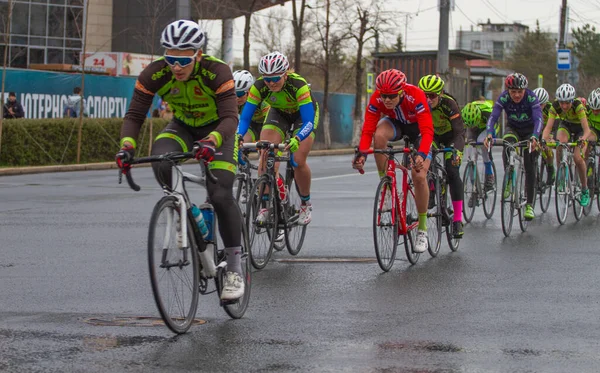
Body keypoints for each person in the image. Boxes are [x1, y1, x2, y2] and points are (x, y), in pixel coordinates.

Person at [115, 20, 244, 301]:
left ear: (198, 54)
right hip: (182, 127)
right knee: (161, 161)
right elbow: (135, 115)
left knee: (220, 194)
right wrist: (127, 147)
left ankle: (234, 267)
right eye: (170, 58)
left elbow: (231, 118)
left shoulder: (217, 71)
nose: (175, 67)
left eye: (182, 60)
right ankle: (190, 213)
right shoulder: (155, 73)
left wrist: (213, 141)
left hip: (218, 132)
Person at [353, 69, 434, 254]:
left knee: (419, 175)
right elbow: (368, 130)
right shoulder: (377, 99)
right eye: (384, 96)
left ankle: (422, 228)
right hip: (396, 124)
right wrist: (362, 155)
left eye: (391, 96)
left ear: (402, 91)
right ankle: (387, 186)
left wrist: (420, 154)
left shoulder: (416, 95)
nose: (387, 100)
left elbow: (428, 131)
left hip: (419, 132)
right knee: (379, 136)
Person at [236, 51, 319, 226]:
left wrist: (297, 138)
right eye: (267, 79)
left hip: (302, 118)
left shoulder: (298, 84)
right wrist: (238, 136)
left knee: (297, 160)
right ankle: (265, 206)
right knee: (265, 154)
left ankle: (305, 203)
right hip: (278, 113)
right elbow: (245, 118)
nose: (271, 83)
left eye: (276, 79)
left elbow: (309, 121)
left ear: (285, 73)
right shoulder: (259, 87)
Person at [484, 73, 543, 221]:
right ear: (508, 90)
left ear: (525, 90)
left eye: (520, 92)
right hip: (513, 128)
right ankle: (509, 176)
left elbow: (538, 118)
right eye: (513, 92)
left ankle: (529, 205)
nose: (516, 95)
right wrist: (490, 134)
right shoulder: (503, 97)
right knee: (507, 143)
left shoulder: (531, 97)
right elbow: (493, 117)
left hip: (530, 131)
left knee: (529, 166)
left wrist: (535, 136)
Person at [417, 74, 465, 238]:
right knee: (426, 163)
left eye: (432, 96)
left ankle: (458, 219)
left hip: (452, 137)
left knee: (452, 172)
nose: (428, 99)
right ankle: (432, 188)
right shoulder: (419, 105)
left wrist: (457, 151)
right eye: (425, 95)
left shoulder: (449, 104)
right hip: (433, 137)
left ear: (441, 94)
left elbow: (459, 132)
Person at [541, 83, 593, 207]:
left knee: (578, 158)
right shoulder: (554, 106)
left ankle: (585, 189)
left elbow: (587, 130)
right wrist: (544, 139)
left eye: (567, 103)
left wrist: (583, 139)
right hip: (566, 126)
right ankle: (561, 176)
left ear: (572, 100)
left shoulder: (578, 107)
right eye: (561, 103)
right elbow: (548, 127)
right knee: (560, 144)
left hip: (580, 129)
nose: (564, 106)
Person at [462, 98, 496, 194]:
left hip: (487, 127)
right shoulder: (464, 115)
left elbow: (492, 127)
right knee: (470, 154)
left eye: (474, 124)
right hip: (473, 129)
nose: (473, 126)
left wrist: (489, 138)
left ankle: (489, 175)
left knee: (482, 142)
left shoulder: (487, 114)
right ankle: (475, 188)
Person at [233, 70, 270, 143]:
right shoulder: (233, 101)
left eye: (240, 94)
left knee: (266, 146)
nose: (237, 98)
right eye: (234, 94)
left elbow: (269, 119)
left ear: (249, 91)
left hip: (267, 124)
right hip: (251, 125)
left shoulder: (261, 101)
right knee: (239, 142)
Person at [533, 87, 556, 184]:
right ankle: (535, 176)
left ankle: (550, 167)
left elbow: (556, 124)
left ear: (546, 103)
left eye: (541, 104)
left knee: (547, 148)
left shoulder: (551, 108)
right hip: (535, 130)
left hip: (548, 129)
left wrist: (552, 137)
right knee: (533, 150)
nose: (539, 106)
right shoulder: (530, 107)